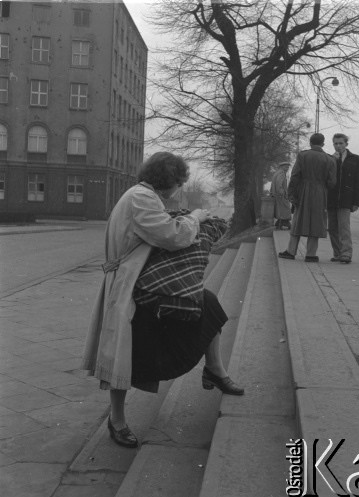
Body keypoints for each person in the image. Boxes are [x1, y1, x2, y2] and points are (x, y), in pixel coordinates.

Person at [82, 152, 243, 449]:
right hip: (129, 287)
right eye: (179, 183)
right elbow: (173, 236)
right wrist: (195, 217)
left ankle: (215, 369)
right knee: (124, 354)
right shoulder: (141, 198)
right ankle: (116, 421)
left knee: (205, 302)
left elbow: (155, 231)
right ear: (169, 182)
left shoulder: (141, 195)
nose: (178, 189)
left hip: (139, 281)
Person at [278, 133, 336, 262]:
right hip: (321, 193)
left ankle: (291, 251)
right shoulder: (330, 159)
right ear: (323, 144)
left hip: (303, 191)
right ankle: (311, 254)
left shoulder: (303, 155)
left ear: (310, 143)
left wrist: (292, 194)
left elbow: (295, 176)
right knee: (316, 222)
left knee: (298, 221)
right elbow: (332, 182)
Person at [327, 133, 359, 264]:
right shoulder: (329, 159)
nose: (338, 146)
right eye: (335, 143)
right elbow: (326, 178)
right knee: (332, 228)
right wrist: (333, 160)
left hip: (346, 199)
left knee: (344, 227)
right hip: (331, 199)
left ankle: (346, 253)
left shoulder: (356, 160)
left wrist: (356, 202)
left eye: (341, 143)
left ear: (346, 144)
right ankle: (337, 253)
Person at [270, 161, 292, 230]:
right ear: (282, 166)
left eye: (288, 166)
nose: (288, 168)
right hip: (280, 195)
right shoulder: (281, 173)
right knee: (286, 208)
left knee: (280, 210)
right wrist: (282, 193)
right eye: (286, 166)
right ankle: (284, 222)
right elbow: (279, 184)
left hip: (277, 195)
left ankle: (280, 222)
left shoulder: (277, 173)